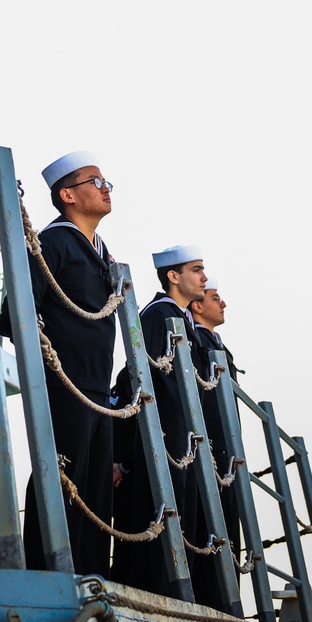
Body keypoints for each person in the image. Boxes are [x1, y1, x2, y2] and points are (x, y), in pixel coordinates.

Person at [0, 151, 117, 577]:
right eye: (94, 181)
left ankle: (90, 575)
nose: (105, 188)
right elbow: (15, 312)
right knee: (63, 476)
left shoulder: (102, 252)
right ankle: (50, 571)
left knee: (96, 490)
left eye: (106, 181)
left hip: (99, 389)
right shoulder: (55, 242)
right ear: (67, 194)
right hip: (66, 381)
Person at [111, 244, 207, 597]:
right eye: (196, 269)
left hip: (183, 439)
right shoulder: (158, 315)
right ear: (173, 276)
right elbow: (138, 378)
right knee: (162, 519)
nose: (204, 276)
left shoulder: (181, 318)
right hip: (164, 438)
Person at [187, 278, 242, 611]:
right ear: (197, 305)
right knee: (212, 527)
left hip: (225, 451)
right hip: (210, 449)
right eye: (216, 298)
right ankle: (217, 603)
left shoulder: (214, 343)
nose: (223, 304)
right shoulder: (200, 344)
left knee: (229, 529)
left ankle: (228, 601)